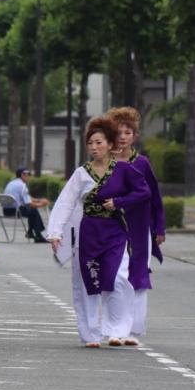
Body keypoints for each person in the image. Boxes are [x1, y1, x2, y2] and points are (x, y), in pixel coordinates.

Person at [46, 116, 151, 348]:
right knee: (88, 282)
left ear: (111, 144)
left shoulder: (124, 169)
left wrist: (119, 202)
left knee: (119, 278)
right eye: (90, 143)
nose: (94, 147)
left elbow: (143, 192)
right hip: (89, 232)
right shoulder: (81, 173)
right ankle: (91, 334)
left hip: (115, 231)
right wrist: (55, 232)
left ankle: (117, 330)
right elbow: (65, 203)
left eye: (99, 142)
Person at [108, 107, 166, 346]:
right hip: (111, 227)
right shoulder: (104, 162)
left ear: (135, 136)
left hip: (140, 227)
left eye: (128, 132)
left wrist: (159, 227)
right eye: (119, 132)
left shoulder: (142, 163)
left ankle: (133, 328)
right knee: (114, 276)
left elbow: (155, 197)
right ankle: (114, 326)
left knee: (138, 274)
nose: (123, 136)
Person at [3, 167, 51, 242]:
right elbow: (29, 203)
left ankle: (31, 232)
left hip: (5, 211)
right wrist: (42, 204)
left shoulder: (11, 183)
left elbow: (26, 198)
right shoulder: (22, 186)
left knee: (31, 210)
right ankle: (38, 235)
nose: (29, 176)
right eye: (28, 174)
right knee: (33, 210)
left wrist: (39, 200)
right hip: (16, 211)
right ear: (22, 175)